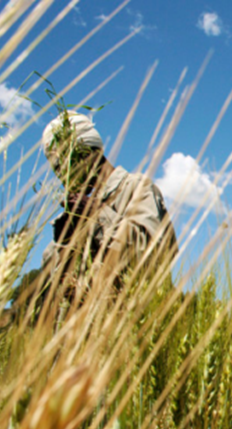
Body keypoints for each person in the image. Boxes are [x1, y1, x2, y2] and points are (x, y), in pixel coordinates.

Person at [35, 111, 178, 304]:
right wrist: (63, 243)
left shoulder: (136, 188)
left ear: (88, 153)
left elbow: (151, 255)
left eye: (64, 166)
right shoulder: (75, 212)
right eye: (56, 170)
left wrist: (98, 215)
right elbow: (52, 291)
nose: (62, 177)